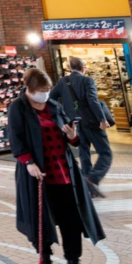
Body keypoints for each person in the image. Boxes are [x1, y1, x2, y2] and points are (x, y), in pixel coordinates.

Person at [8, 67, 103, 264]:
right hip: (38, 173)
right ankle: (46, 261)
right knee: (42, 220)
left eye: (48, 89)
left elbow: (71, 140)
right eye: (41, 89)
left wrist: (72, 136)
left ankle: (73, 262)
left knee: (72, 219)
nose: (45, 93)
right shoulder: (18, 107)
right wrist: (28, 163)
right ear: (29, 89)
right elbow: (16, 139)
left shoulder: (54, 106)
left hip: (64, 171)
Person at [50, 57, 111, 199]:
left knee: (84, 153)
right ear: (84, 67)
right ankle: (92, 179)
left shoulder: (62, 81)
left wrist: (62, 114)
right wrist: (102, 119)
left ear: (70, 68)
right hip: (91, 122)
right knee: (106, 153)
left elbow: (52, 98)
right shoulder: (87, 80)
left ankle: (88, 187)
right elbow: (93, 100)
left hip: (74, 123)